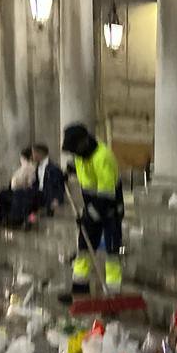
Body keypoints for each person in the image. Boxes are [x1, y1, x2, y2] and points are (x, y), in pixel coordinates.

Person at [61, 123, 124, 296]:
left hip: (110, 209)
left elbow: (106, 195)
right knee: (84, 248)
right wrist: (67, 172)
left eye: (75, 149)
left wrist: (89, 216)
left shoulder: (103, 157)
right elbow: (77, 165)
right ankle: (79, 287)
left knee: (113, 251)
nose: (74, 154)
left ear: (84, 142)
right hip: (92, 206)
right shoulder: (81, 155)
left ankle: (112, 293)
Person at [0, 146, 35, 227]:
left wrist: (19, 184)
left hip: (23, 190)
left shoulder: (30, 167)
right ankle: (2, 217)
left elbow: (29, 182)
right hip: (17, 189)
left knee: (3, 195)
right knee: (2, 193)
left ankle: (7, 218)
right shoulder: (24, 167)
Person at [31, 142, 66, 214]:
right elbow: (37, 183)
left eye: (33, 153)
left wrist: (57, 199)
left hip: (47, 195)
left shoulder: (53, 168)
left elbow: (59, 185)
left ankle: (28, 221)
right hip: (39, 194)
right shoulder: (38, 166)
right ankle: (27, 221)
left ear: (40, 153)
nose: (32, 156)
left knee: (28, 201)